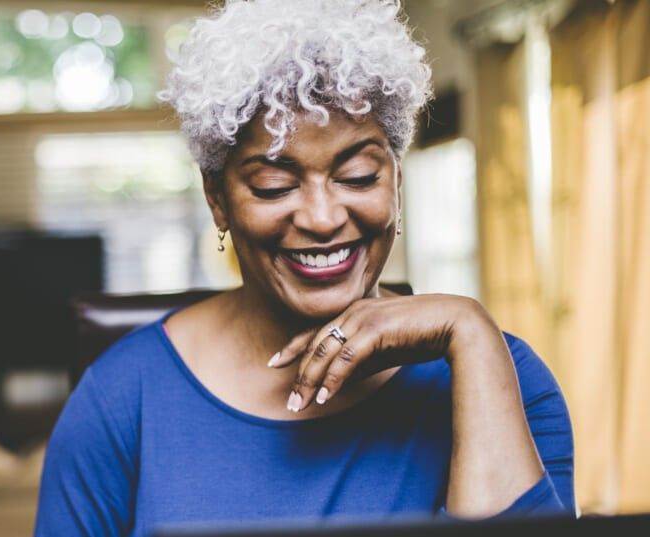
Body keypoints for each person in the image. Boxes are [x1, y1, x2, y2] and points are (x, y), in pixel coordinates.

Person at [34, 1, 574, 535]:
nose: (322, 218)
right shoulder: (121, 401)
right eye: (274, 184)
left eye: (359, 176)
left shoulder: (504, 379)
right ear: (217, 199)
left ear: (397, 184)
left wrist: (471, 333)